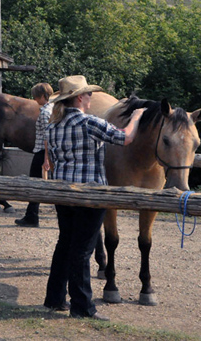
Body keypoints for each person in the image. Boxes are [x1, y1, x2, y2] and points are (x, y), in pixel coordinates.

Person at [42, 75, 145, 321]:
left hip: (63, 191)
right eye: (88, 94)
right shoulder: (89, 122)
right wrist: (137, 118)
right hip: (90, 193)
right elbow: (125, 138)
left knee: (64, 244)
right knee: (82, 251)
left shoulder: (53, 125)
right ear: (80, 97)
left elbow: (53, 159)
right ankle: (83, 307)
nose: (91, 98)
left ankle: (55, 298)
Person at [15, 82, 54, 228]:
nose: (35, 99)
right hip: (44, 152)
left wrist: (45, 159)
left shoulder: (44, 112)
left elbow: (47, 137)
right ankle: (31, 215)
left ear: (43, 96)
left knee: (34, 184)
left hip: (41, 151)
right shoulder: (52, 109)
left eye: (37, 97)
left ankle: (32, 217)